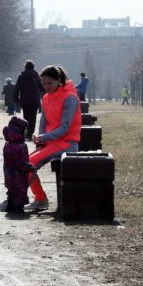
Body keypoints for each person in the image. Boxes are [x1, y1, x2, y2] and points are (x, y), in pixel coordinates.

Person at [25, 64, 82, 211]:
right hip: (51, 143)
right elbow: (43, 123)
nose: (46, 86)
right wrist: (40, 141)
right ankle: (36, 198)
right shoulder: (46, 98)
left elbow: (65, 128)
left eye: (50, 83)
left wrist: (44, 137)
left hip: (67, 143)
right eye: (43, 83)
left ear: (59, 81)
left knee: (29, 163)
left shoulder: (70, 98)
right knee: (24, 163)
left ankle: (37, 199)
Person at [0, 116, 36, 214]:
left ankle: (10, 208)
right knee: (19, 194)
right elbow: (21, 163)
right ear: (18, 131)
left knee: (11, 193)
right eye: (24, 130)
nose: (26, 132)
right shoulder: (20, 146)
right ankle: (19, 211)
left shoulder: (8, 143)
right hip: (18, 176)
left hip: (8, 174)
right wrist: (31, 167)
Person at [14, 60, 43, 140]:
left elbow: (17, 88)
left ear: (25, 67)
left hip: (24, 100)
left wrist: (16, 99)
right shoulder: (37, 75)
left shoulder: (21, 76)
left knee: (25, 117)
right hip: (34, 100)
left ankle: (25, 132)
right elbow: (41, 87)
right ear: (33, 67)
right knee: (32, 118)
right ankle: (29, 134)